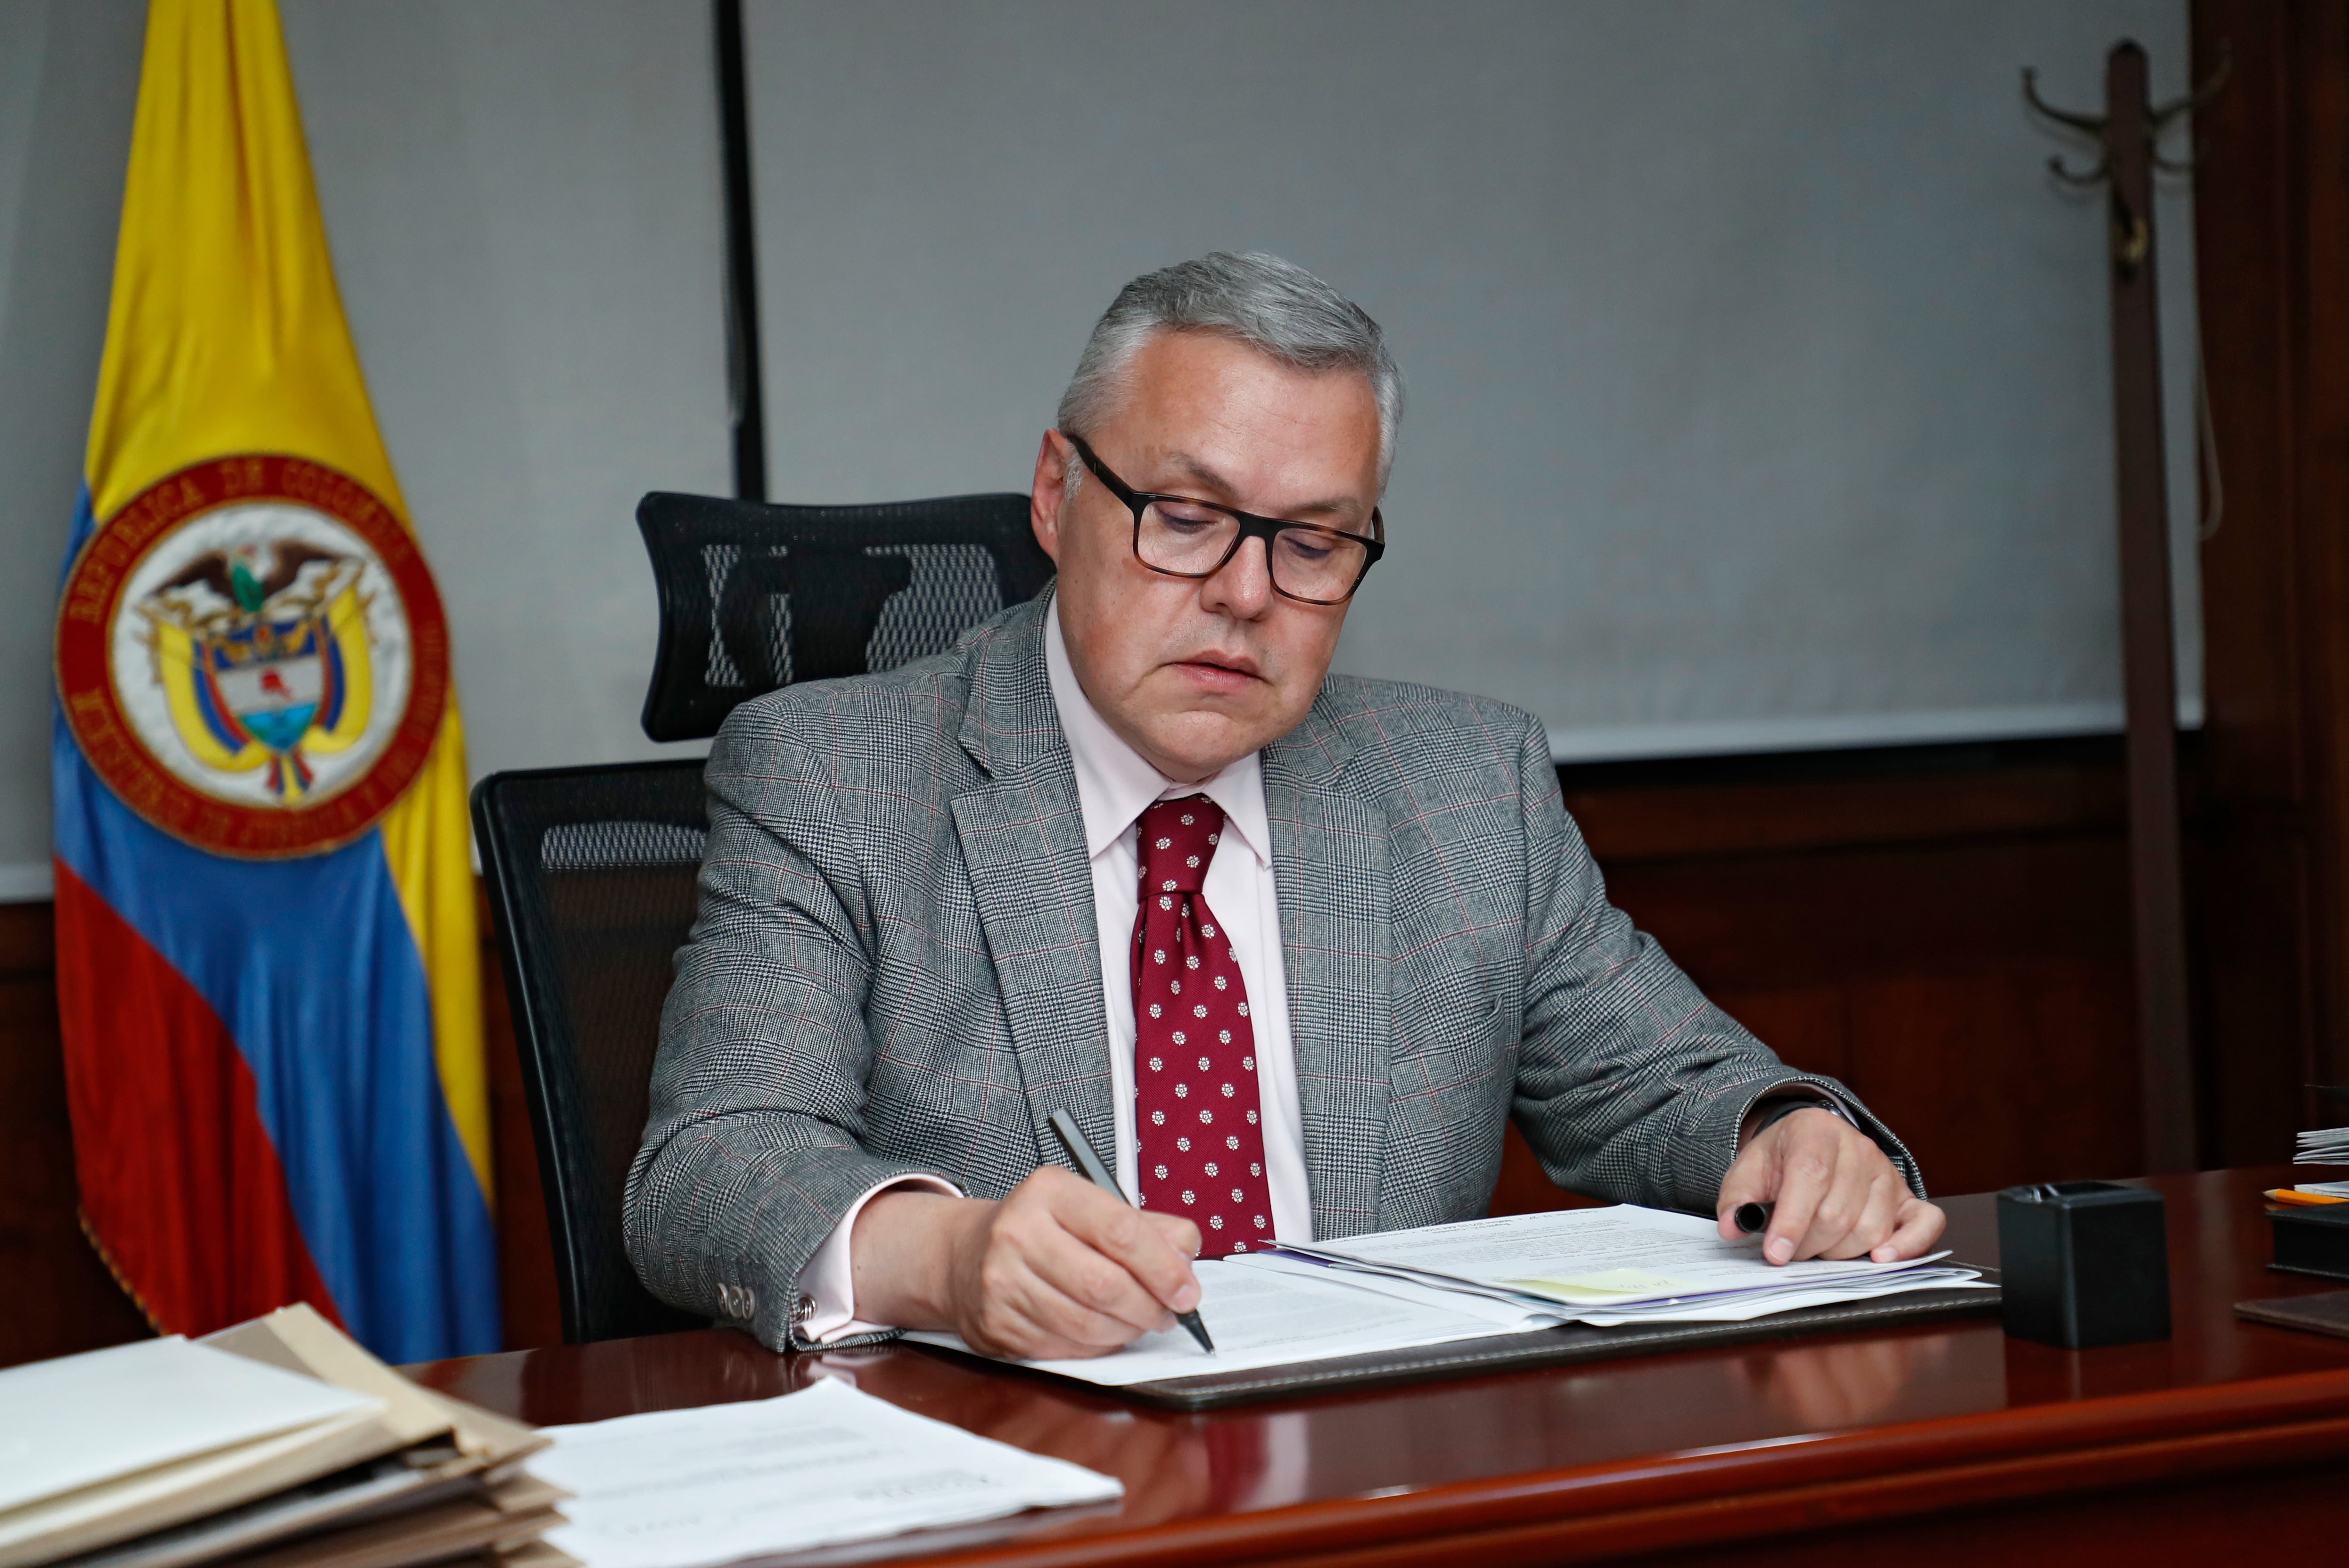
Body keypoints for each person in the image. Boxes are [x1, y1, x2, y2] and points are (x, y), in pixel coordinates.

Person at [625, 251, 1945, 1360]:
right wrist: (947, 1255)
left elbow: (1665, 1080)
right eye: (1188, 516)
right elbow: (714, 1164)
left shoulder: (1464, 785)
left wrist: (1787, 1133)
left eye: (1312, 542)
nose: (1245, 593)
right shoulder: (833, 776)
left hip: (1381, 1485)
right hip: (1028, 1487)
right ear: (1055, 492)